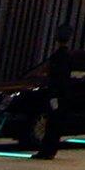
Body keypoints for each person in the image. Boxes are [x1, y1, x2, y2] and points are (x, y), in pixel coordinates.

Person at [31, 24, 74, 160]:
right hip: (62, 93)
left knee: (52, 124)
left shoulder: (58, 56)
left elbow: (56, 77)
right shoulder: (67, 56)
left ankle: (46, 150)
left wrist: (53, 95)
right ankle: (50, 150)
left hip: (56, 93)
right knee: (56, 124)